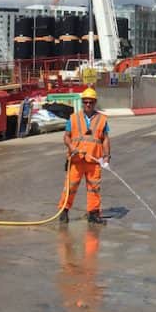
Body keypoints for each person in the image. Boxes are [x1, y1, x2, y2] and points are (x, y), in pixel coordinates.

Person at [59, 86, 111, 225]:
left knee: (94, 188)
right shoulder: (74, 118)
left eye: (91, 102)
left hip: (94, 161)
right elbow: (66, 137)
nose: (88, 104)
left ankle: (93, 214)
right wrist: (71, 147)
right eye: (86, 102)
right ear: (83, 102)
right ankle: (64, 212)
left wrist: (107, 156)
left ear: (95, 102)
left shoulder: (102, 119)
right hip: (76, 160)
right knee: (70, 187)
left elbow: (105, 138)